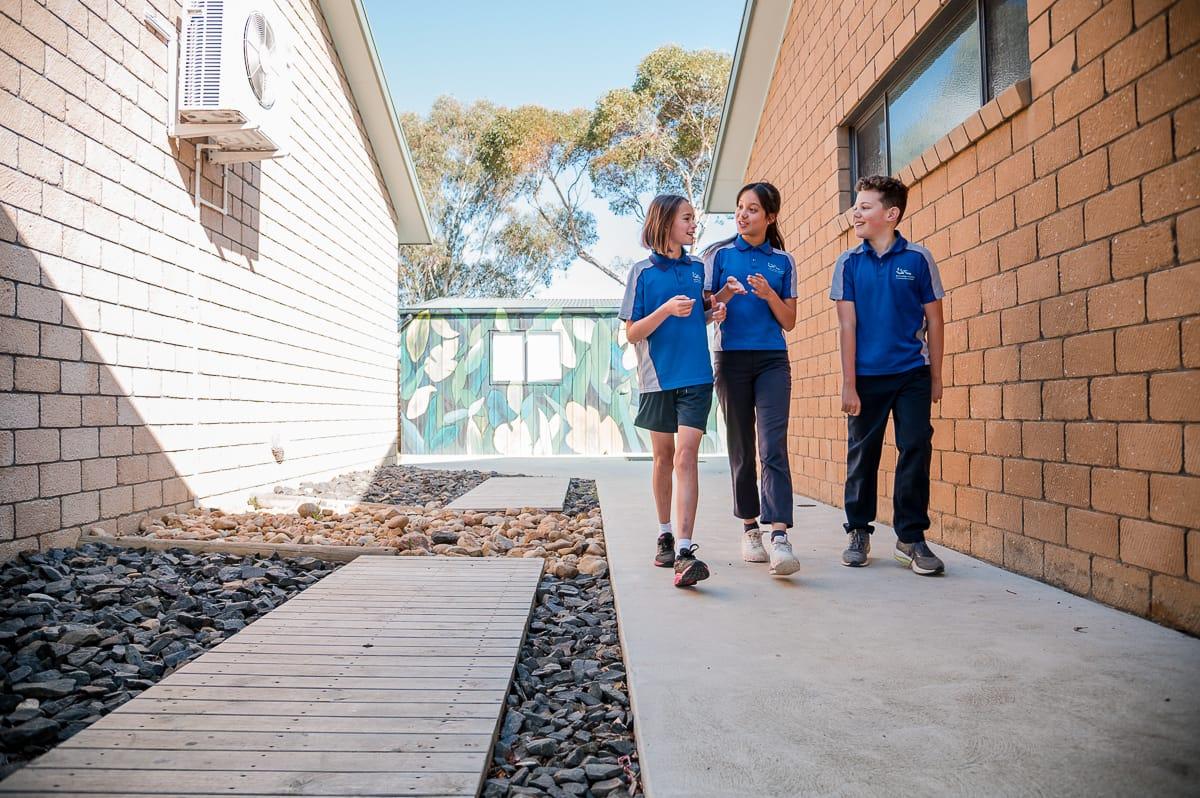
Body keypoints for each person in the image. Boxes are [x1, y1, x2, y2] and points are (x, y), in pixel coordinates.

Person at [830, 175, 946, 575]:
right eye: (856, 206)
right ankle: (858, 531)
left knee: (915, 447)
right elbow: (847, 326)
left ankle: (910, 537)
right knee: (863, 453)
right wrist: (849, 383)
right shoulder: (848, 263)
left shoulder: (918, 259)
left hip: (913, 372)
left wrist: (936, 376)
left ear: (891, 214)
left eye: (865, 207)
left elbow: (935, 321)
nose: (856, 213)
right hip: (866, 376)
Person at [619, 194, 726, 588]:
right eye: (687, 218)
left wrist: (713, 312)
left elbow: (695, 318)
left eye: (693, 219)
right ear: (665, 223)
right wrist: (665, 309)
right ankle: (664, 533)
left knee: (686, 456)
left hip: (697, 377)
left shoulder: (698, 269)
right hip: (658, 380)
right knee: (663, 458)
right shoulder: (642, 273)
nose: (693, 225)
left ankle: (684, 549)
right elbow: (633, 333)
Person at [702, 182, 801, 576]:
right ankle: (749, 528)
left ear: (770, 217)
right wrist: (723, 298)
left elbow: (789, 321)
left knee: (772, 444)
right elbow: (706, 310)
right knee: (741, 445)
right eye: (740, 207)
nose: (742, 215)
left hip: (773, 360)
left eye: (753, 209)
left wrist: (769, 295)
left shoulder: (783, 261)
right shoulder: (719, 255)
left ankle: (779, 535)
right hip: (731, 360)